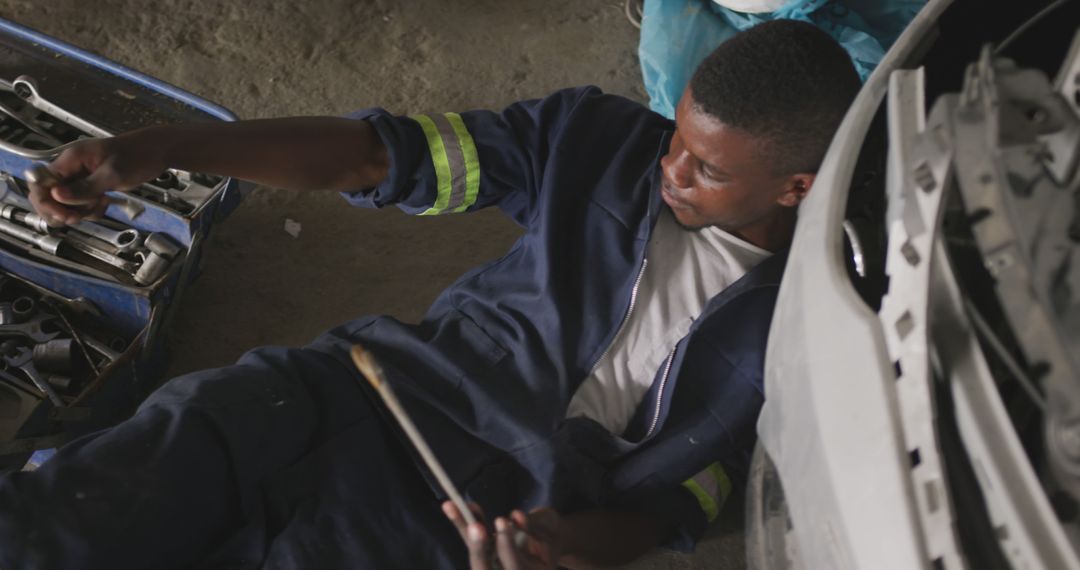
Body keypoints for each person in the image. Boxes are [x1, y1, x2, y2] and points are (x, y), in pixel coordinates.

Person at [0, 20, 861, 569]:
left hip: (462, 526)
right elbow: (376, 157)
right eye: (675, 138)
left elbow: (694, 494)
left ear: (796, 187)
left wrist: (573, 549)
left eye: (705, 169)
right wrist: (160, 148)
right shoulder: (592, 138)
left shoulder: (821, 327)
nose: (667, 170)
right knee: (70, 515)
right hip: (352, 393)